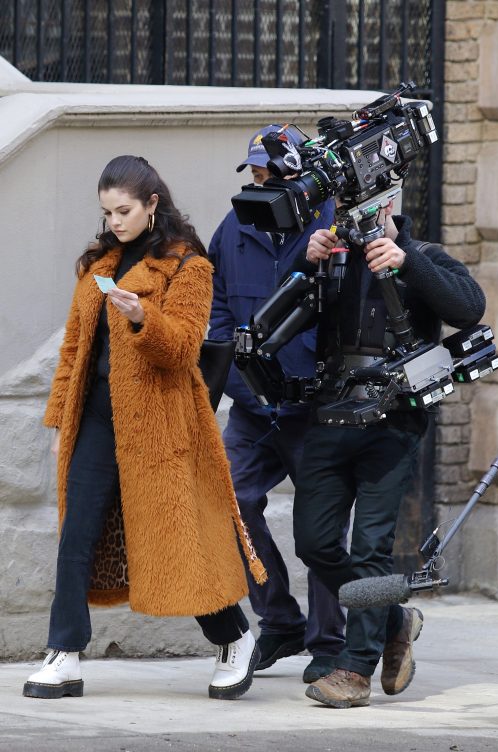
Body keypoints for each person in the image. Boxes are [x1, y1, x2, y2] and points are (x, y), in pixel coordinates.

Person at [23, 155, 267, 702]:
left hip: (160, 424)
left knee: (175, 541)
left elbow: (182, 348)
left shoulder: (188, 267)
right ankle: (63, 653)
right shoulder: (99, 263)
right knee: (76, 536)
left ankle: (233, 638)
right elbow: (74, 349)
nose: (115, 222)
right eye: (107, 212)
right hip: (96, 417)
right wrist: (60, 417)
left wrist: (141, 318)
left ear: (152, 204)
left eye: (124, 211)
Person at [290, 200, 486, 707]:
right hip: (332, 414)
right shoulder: (331, 255)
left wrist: (407, 261)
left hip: (394, 422)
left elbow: (469, 308)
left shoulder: (423, 254)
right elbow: (283, 316)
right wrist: (304, 262)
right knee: (313, 542)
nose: (352, 215)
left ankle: (355, 671)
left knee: (371, 548)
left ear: (390, 203)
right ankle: (395, 620)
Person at [208, 126, 347, 684]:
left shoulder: (333, 220)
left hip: (314, 408)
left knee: (321, 527)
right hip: (251, 406)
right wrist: (235, 370)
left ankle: (329, 641)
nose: (258, 183)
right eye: (254, 173)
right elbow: (217, 301)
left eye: (267, 173)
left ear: (296, 174)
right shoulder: (235, 224)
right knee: (230, 505)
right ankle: (281, 622)